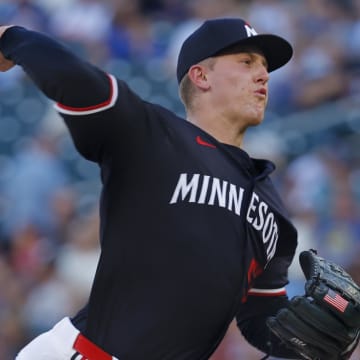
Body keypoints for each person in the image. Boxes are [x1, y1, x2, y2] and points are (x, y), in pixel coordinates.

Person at [0, 17, 315, 360]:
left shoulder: (274, 212)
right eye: (246, 62)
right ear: (201, 76)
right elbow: (77, 81)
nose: (263, 75)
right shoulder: (152, 137)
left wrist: (314, 337)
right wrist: (13, 38)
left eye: (265, 66)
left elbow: (260, 320)